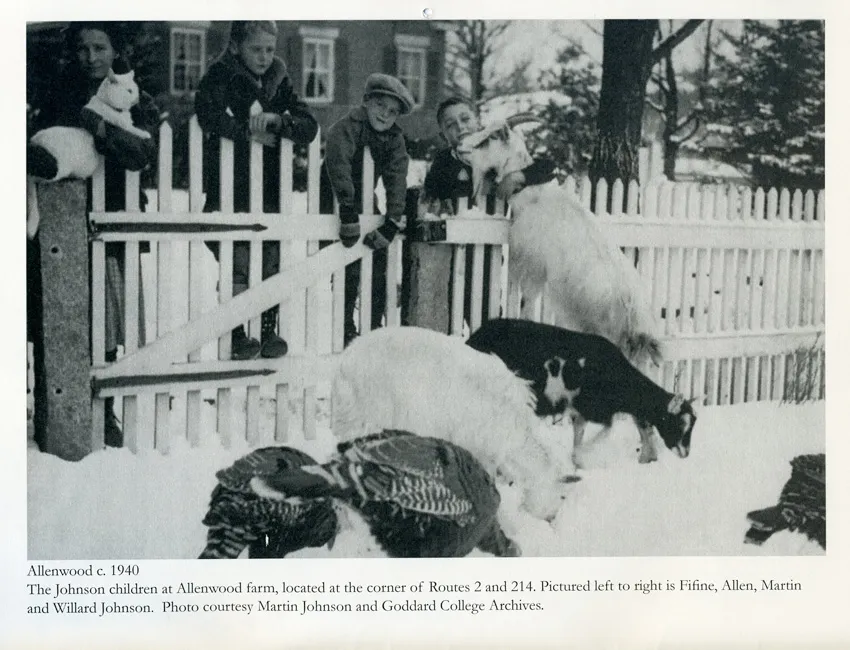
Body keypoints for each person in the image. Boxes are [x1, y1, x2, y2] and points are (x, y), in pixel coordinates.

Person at [27, 21, 160, 447]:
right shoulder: (60, 95)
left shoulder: (134, 97)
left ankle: (104, 409)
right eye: (83, 48)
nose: (91, 57)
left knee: (107, 319)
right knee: (60, 316)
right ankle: (57, 404)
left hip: (114, 217)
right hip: (62, 221)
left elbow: (142, 153)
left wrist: (102, 131)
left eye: (100, 47)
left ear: (115, 50)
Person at [195, 21, 319, 360]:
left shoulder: (278, 78)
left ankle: (267, 330)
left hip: (270, 190)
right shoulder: (221, 75)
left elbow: (309, 126)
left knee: (270, 262)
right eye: (256, 49)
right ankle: (237, 332)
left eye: (269, 49)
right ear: (236, 47)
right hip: (230, 188)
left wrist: (280, 121)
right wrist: (246, 133)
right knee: (237, 262)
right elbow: (207, 113)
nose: (264, 57)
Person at [420, 96, 556, 328]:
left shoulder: (496, 147)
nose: (460, 127)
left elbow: (547, 167)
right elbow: (431, 193)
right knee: (449, 311)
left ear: (477, 120)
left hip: (486, 251)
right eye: (450, 125)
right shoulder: (444, 161)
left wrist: (518, 177)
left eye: (465, 119)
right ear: (443, 134)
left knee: (484, 314)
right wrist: (438, 203)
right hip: (450, 250)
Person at [319, 73, 414, 345]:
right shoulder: (347, 126)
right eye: (380, 105)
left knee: (377, 260)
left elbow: (397, 177)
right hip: (332, 196)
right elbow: (339, 164)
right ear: (366, 102)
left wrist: (392, 220)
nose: (385, 115)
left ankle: (374, 326)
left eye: (393, 111)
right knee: (347, 263)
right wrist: (347, 208)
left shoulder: (394, 138)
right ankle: (345, 325)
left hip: (364, 200)